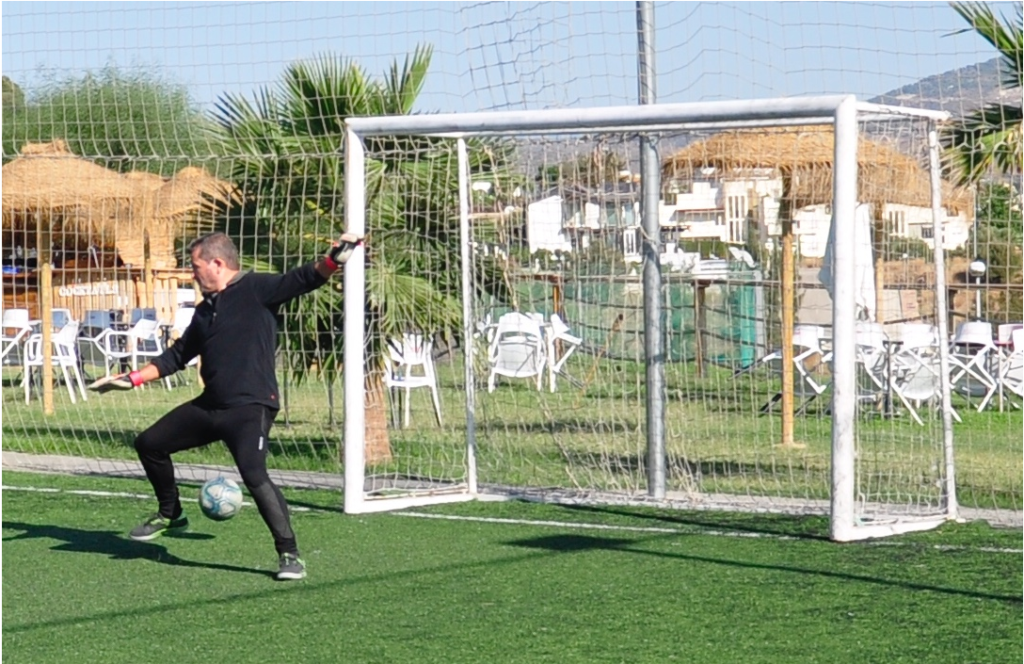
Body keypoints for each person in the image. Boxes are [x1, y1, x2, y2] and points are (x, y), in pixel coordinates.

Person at [89, 231, 362, 580]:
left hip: (251, 407)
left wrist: (333, 261)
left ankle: (289, 554)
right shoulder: (205, 311)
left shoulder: (257, 289)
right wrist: (132, 379)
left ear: (217, 264)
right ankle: (171, 514)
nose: (192, 274)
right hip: (211, 406)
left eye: (195, 266)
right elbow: (177, 356)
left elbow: (304, 279)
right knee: (150, 444)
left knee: (254, 474)